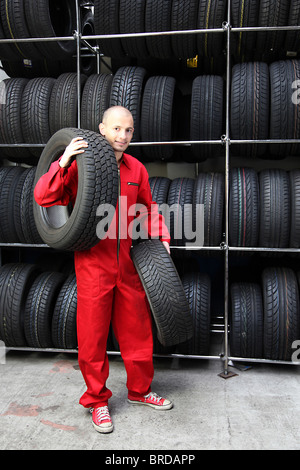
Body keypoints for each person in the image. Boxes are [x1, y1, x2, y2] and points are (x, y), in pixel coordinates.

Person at [34, 106, 173, 434]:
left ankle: (140, 391)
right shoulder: (83, 164)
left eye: (128, 131)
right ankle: (97, 400)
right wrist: (63, 161)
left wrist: (161, 236)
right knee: (92, 338)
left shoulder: (136, 168)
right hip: (93, 264)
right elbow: (44, 196)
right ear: (101, 128)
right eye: (116, 129)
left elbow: (147, 210)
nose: (122, 136)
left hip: (128, 262)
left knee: (137, 333)